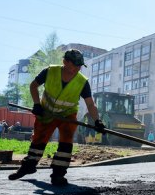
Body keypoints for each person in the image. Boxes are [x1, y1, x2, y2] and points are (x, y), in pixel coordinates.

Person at [8, 49, 106, 186]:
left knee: (66, 142)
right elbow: (33, 86)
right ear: (65, 62)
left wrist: (98, 121)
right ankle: (28, 166)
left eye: (79, 66)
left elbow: (90, 104)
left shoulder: (82, 82)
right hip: (46, 112)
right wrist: (37, 104)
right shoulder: (50, 71)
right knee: (39, 140)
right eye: (74, 65)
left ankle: (58, 174)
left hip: (68, 114)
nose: (77, 69)